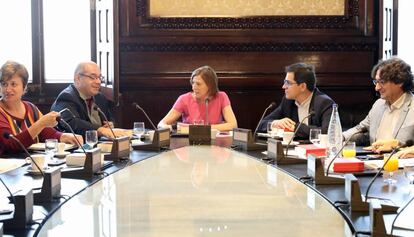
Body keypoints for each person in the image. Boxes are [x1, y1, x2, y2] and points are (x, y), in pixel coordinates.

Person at [0, 60, 82, 155]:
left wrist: (64, 136)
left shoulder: (30, 107)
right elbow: (11, 145)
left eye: (13, 84)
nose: (8, 89)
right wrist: (40, 123)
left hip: (31, 163)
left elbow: (46, 133)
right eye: (4, 84)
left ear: (24, 87)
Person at [343, 57, 414, 147]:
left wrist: (398, 145)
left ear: (400, 82)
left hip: (400, 160)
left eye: (382, 82)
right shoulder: (378, 104)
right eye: (376, 82)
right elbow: (360, 129)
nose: (377, 88)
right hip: (373, 159)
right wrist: (341, 137)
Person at [51, 61, 129, 138]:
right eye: (93, 77)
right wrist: (100, 130)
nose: (98, 82)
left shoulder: (100, 97)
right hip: (76, 147)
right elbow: (71, 123)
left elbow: (108, 118)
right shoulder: (66, 97)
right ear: (78, 78)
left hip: (99, 145)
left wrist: (111, 124)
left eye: (99, 77)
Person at [258, 62, 335, 139]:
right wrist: (275, 123)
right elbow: (261, 124)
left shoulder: (324, 103)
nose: (283, 86)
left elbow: (328, 132)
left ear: (302, 86)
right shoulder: (288, 101)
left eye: (288, 83)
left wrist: (295, 127)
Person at [158, 66, 237, 131]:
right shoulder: (183, 99)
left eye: (198, 84)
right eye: (193, 83)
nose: (194, 87)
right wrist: (166, 127)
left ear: (210, 85)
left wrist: (203, 129)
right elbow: (161, 123)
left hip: (214, 142)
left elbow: (233, 125)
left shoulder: (221, 96)